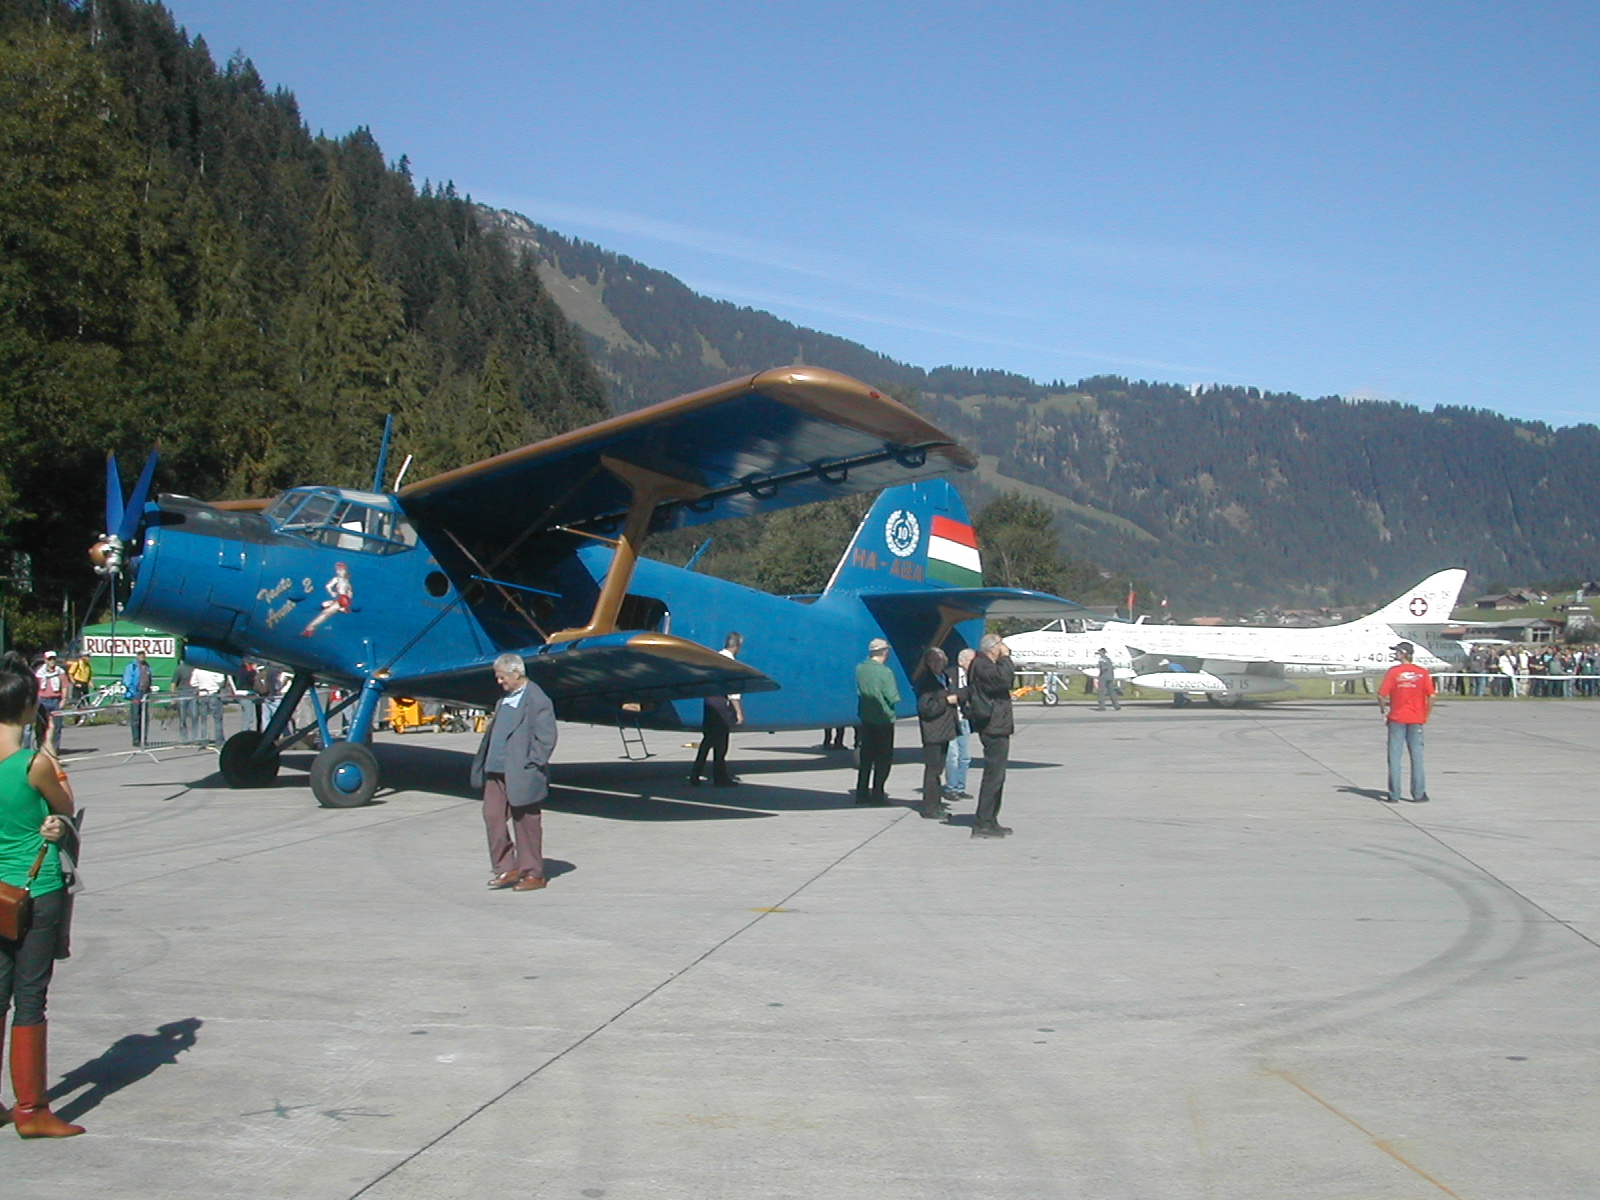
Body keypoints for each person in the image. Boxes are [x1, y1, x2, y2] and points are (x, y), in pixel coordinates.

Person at [0, 651, 84, 1137]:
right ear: (32, 707)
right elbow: (65, 806)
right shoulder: (34, 764)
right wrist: (49, 747)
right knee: (30, 997)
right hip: (35, 889)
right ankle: (31, 1111)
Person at [469, 653, 557, 892]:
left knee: (526, 823)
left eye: (502, 677)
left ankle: (533, 873)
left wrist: (531, 763)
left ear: (516, 673)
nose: (499, 682)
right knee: (493, 817)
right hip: (495, 771)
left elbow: (546, 738)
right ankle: (506, 867)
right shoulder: (505, 699)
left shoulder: (537, 699)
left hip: (521, 772)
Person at [967, 633, 1016, 838]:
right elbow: (1004, 680)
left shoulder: (985, 665)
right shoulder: (982, 665)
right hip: (992, 725)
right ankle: (983, 822)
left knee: (998, 775)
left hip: (998, 724)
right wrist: (1006, 658)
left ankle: (991, 818)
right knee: (993, 775)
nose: (1003, 648)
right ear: (992, 648)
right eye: (1000, 644)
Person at [1377, 641, 1435, 804]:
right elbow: (1432, 695)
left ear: (1404, 654)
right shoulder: (1422, 673)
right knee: (1417, 757)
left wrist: (1384, 710)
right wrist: (1426, 714)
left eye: (1397, 651)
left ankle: (1394, 793)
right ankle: (1418, 793)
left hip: (1397, 718)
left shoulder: (1394, 672)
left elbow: (1381, 695)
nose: (1395, 654)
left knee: (1395, 757)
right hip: (1416, 718)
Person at [689, 633, 744, 787]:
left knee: (707, 740)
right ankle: (720, 777)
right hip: (720, 704)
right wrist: (738, 712)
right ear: (737, 646)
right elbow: (733, 692)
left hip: (709, 702)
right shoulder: (730, 662)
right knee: (721, 743)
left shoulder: (714, 658)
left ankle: (695, 773)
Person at [915, 647, 960, 820]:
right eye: (933, 661)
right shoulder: (926, 682)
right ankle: (930, 807)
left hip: (946, 729)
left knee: (939, 769)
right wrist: (945, 701)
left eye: (940, 660)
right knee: (932, 770)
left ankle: (936, 802)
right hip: (933, 730)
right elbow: (925, 708)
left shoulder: (945, 677)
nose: (937, 664)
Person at [854, 637, 899, 805]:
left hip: (866, 718)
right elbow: (892, 696)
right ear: (884, 652)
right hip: (883, 719)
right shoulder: (885, 672)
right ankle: (878, 793)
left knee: (866, 759)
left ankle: (861, 793)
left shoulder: (860, 668)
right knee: (883, 760)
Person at [944, 648, 975, 802]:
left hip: (964, 720)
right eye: (970, 661)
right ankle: (951, 788)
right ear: (961, 661)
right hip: (951, 720)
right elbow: (952, 694)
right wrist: (964, 693)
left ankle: (960, 787)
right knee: (953, 756)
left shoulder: (974, 677)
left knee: (965, 757)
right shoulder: (949, 675)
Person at [31, 654, 67, 755]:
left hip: (55, 700)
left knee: (57, 726)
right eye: (49, 659)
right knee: (41, 725)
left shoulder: (60, 672)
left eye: (54, 659)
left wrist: (63, 700)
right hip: (42, 701)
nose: (52, 661)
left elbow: (64, 686)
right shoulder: (39, 673)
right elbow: (36, 687)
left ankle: (54, 748)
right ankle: (41, 747)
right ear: (45, 660)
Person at [190, 667, 228, 748]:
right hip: (213, 693)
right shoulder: (215, 668)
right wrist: (216, 685)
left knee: (204, 719)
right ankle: (219, 741)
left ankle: (204, 740)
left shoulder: (197, 670)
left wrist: (200, 684)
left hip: (202, 694)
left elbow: (193, 683)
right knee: (217, 719)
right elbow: (221, 680)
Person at [122, 651, 152, 747]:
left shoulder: (147, 666)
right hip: (136, 694)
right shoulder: (132, 666)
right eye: (140, 656)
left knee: (144, 717)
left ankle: (144, 739)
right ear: (137, 657)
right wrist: (133, 691)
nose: (142, 658)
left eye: (144, 656)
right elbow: (127, 680)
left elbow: (149, 678)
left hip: (145, 693)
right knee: (135, 718)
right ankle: (136, 739)